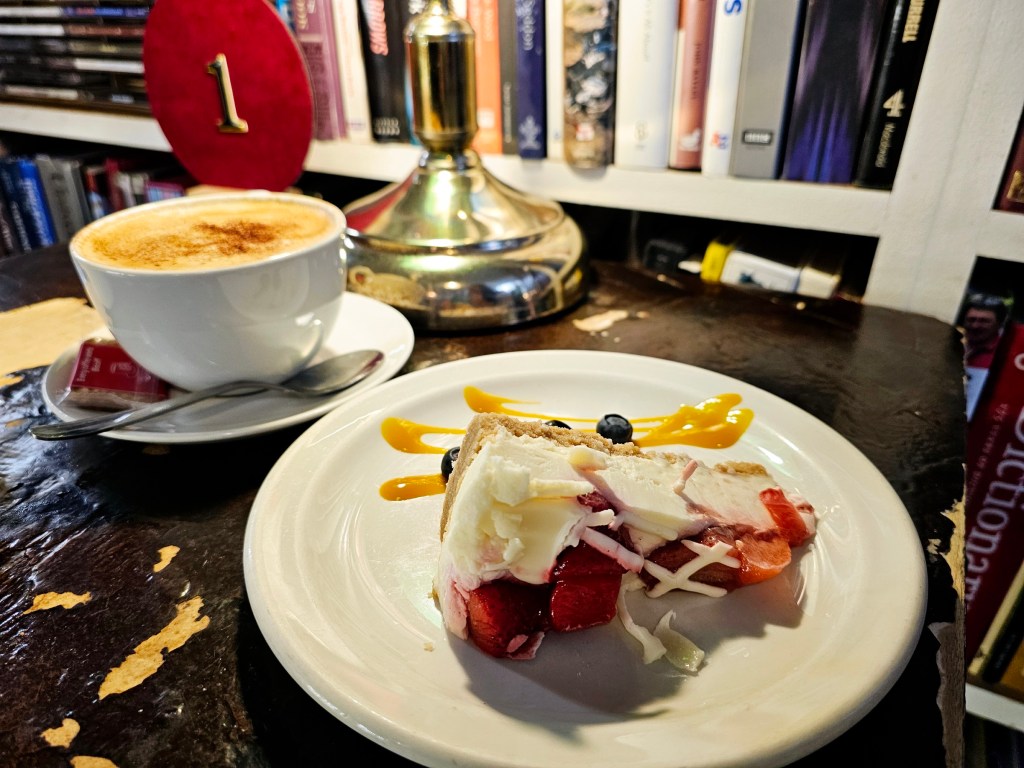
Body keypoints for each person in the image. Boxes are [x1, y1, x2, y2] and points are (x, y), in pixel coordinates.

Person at [963, 292, 1010, 369]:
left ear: (999, 324)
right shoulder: (952, 342)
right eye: (971, 319)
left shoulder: (1007, 353)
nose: (975, 326)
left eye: (984, 321)